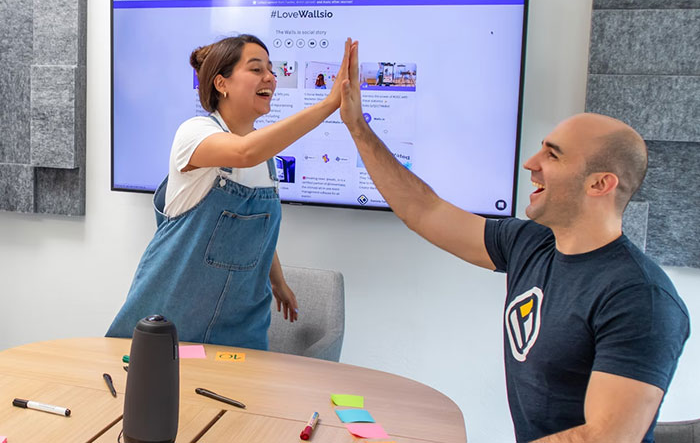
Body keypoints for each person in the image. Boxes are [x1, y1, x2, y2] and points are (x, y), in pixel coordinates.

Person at [338, 42, 689, 442]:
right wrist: (358, 128)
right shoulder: (531, 243)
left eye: (552, 156)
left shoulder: (640, 298)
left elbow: (605, 437)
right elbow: (423, 210)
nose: (530, 164)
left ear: (599, 184)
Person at [107, 35, 352, 350]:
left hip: (241, 326)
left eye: (271, 70)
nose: (270, 78)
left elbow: (251, 228)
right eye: (256, 69)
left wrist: (277, 282)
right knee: (157, 394)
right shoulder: (195, 133)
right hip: (173, 319)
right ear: (221, 84)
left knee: (238, 398)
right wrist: (329, 104)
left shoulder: (266, 159)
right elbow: (243, 152)